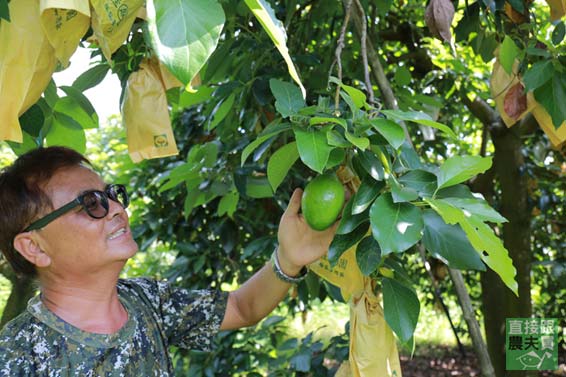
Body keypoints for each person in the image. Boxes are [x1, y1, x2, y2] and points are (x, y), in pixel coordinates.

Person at [0, 146, 337, 376]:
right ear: (34, 247)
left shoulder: (145, 300)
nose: (117, 209)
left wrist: (288, 259)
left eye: (112, 195)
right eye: (90, 203)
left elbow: (241, 308)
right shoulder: (17, 357)